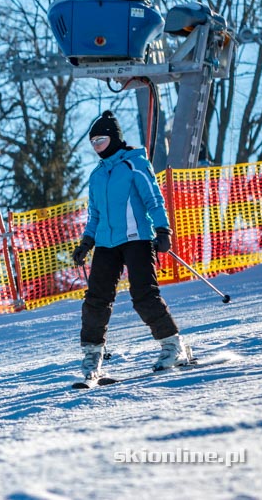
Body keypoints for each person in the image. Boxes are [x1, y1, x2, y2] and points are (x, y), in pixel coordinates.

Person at [71, 111, 192, 380]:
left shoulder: (134, 164)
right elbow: (95, 215)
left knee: (143, 295)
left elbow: (154, 200)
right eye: (93, 143)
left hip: (137, 238)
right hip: (105, 243)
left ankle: (174, 347)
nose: (97, 147)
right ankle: (92, 357)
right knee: (96, 299)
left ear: (114, 139)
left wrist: (162, 229)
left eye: (101, 140)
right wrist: (86, 242)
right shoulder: (97, 175)